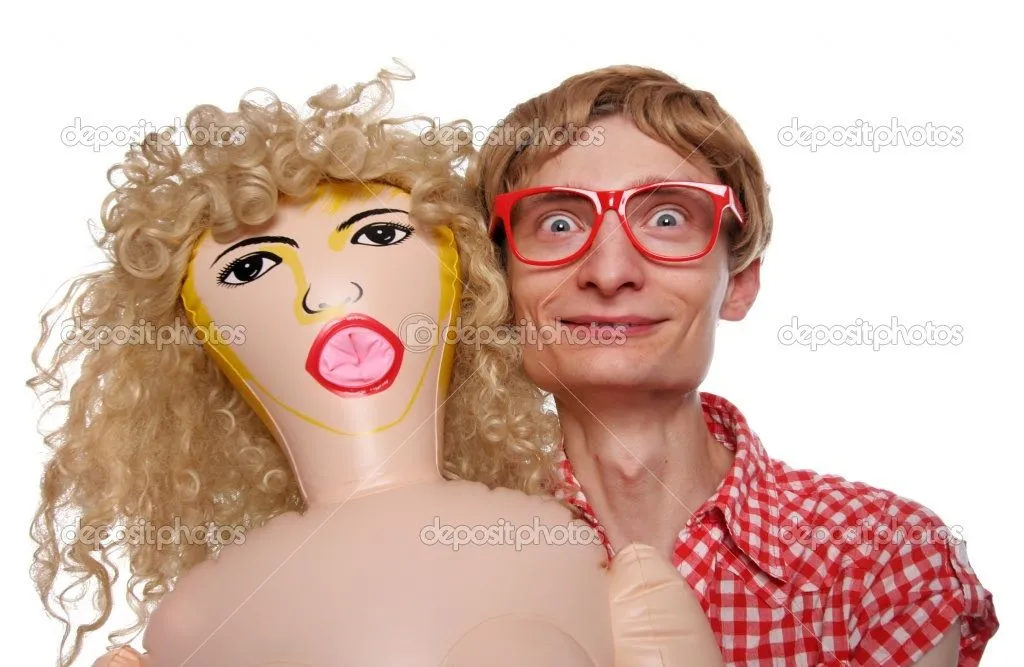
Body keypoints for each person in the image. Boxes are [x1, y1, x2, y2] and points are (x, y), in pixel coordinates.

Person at [30, 64, 720, 667]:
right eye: (250, 267)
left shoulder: (570, 553)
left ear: (476, 290)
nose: (325, 295)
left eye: (381, 234)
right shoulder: (199, 621)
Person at [469, 65, 998, 666]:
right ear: (500, 286)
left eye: (667, 218)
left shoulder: (881, 557)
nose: (609, 273)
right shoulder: (446, 546)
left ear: (739, 282)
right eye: (559, 223)